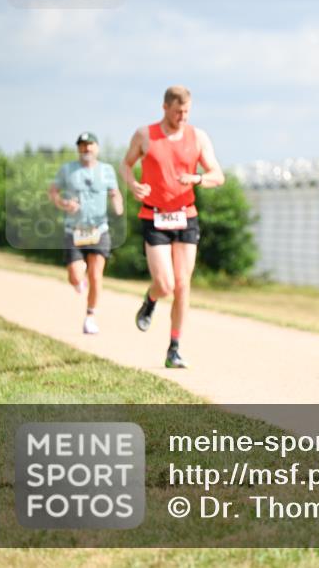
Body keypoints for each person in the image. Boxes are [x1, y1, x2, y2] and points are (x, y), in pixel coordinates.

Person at [120, 86, 224, 368]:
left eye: (187, 112)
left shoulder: (198, 137)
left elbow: (218, 175)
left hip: (185, 216)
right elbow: (125, 165)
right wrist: (133, 185)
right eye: (178, 111)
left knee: (182, 284)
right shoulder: (145, 135)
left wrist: (197, 179)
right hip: (154, 217)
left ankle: (174, 348)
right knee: (165, 284)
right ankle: (151, 299)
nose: (183, 117)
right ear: (165, 108)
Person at [48, 132, 124, 334]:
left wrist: (118, 204)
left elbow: (115, 193)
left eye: (90, 144)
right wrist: (63, 203)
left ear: (97, 147)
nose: (87, 148)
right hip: (74, 231)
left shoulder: (107, 170)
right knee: (75, 276)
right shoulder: (67, 170)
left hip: (99, 230)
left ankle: (90, 317)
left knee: (96, 275)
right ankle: (79, 282)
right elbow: (53, 192)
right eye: (82, 145)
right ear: (78, 148)